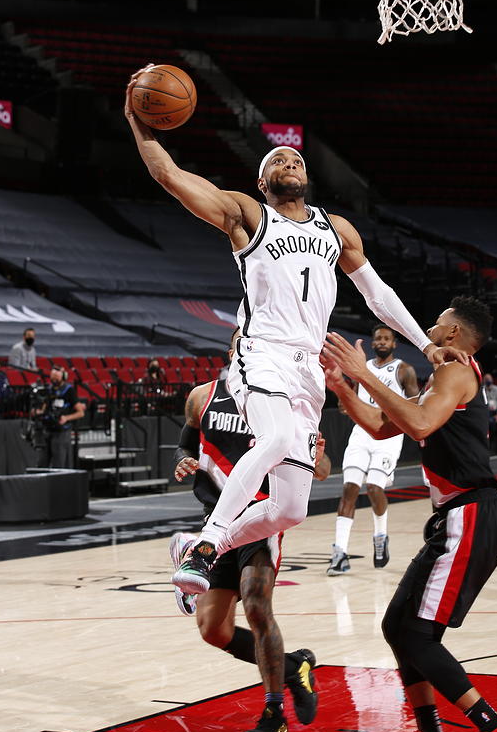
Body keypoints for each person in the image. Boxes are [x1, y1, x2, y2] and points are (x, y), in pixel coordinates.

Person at [125, 68, 466, 597]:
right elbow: (171, 176)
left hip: (309, 367)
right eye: (277, 160)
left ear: (307, 176)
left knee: (291, 507)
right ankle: (207, 547)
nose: (290, 162)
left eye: (297, 159)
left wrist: (424, 344)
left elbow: (377, 294)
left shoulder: (336, 230)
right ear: (263, 181)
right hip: (260, 354)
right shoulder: (247, 214)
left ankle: (190, 543)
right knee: (277, 438)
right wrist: (137, 121)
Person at [321, 296, 497, 732]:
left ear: (456, 334)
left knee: (417, 635)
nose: (428, 327)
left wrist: (366, 373)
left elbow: (417, 425)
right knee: (398, 628)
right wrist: (344, 386)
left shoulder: (457, 373)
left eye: (437, 322)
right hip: (459, 516)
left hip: (473, 512)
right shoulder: (443, 379)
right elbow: (381, 425)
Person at [169, 327, 330, 732]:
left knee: (257, 605)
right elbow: (185, 441)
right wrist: (184, 460)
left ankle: (274, 717)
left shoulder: (287, 398)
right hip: (217, 520)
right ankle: (296, 667)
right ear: (234, 350)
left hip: (260, 519)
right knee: (212, 630)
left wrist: (317, 458)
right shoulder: (202, 396)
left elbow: (322, 469)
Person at [328, 323, 418, 574]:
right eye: (377, 339)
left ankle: (380, 535)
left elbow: (415, 405)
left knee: (375, 487)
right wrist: (343, 397)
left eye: (386, 339)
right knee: (349, 489)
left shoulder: (404, 370)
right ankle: (339, 553)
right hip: (361, 434)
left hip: (389, 435)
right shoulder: (363, 368)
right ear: (372, 342)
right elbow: (352, 402)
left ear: (394, 344)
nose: (381, 342)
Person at [33, 365, 84, 468]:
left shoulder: (69, 390)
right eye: (53, 377)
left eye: (57, 376)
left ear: (63, 377)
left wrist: (66, 418)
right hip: (48, 430)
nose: (54, 379)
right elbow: (44, 408)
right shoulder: (49, 390)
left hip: (62, 432)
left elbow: (80, 413)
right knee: (42, 463)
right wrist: (38, 412)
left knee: (59, 463)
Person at [484, 372, 497, 446]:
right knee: (490, 425)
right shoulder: (482, 390)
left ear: (492, 380)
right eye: (486, 379)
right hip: (487, 413)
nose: (488, 380)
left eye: (489, 379)